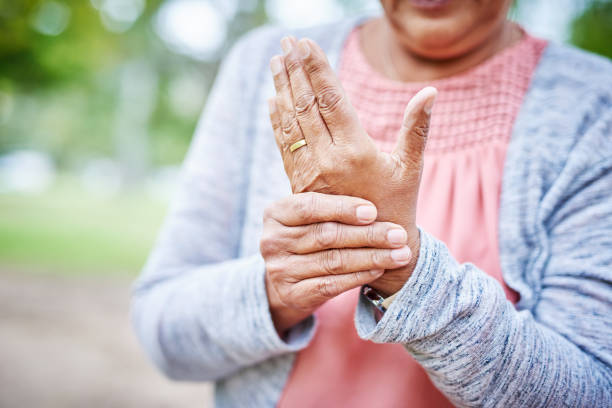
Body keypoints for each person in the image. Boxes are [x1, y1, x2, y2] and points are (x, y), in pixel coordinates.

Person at [131, 0, 612, 406]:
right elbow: (164, 333)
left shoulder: (593, 104)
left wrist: (404, 269)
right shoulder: (265, 67)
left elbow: (594, 387)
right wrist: (275, 291)